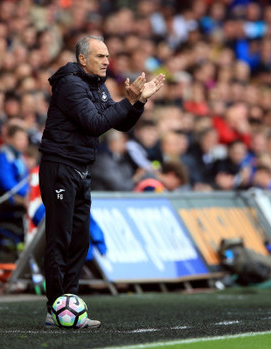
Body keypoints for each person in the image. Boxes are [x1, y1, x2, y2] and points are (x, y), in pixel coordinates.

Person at [39, 35, 164, 329]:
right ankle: (55, 306)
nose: (107, 61)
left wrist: (137, 103)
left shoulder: (96, 84)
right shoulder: (71, 85)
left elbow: (117, 122)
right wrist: (129, 101)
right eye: (100, 57)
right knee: (60, 238)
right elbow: (95, 123)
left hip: (80, 168)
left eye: (107, 56)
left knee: (79, 240)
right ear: (83, 59)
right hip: (60, 167)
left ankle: (70, 304)